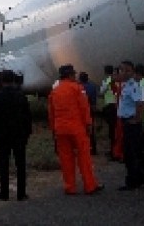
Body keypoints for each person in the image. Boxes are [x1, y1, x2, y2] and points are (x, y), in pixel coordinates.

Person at [48, 64, 103, 196]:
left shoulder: (54, 91)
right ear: (70, 75)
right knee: (84, 158)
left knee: (66, 159)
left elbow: (51, 113)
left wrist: (53, 129)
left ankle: (69, 187)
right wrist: (89, 124)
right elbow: (84, 108)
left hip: (61, 129)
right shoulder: (77, 88)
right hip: (77, 128)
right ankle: (90, 186)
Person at [0, 70, 32, 201]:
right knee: (21, 165)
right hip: (19, 136)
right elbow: (27, 118)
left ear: (1, 81)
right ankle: (21, 193)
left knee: (3, 166)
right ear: (13, 80)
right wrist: (26, 135)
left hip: (3, 137)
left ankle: (4, 193)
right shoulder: (21, 96)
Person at [117, 60, 144, 191]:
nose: (123, 72)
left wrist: (137, 119)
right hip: (126, 121)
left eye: (127, 70)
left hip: (131, 122)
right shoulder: (126, 85)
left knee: (130, 153)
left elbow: (139, 103)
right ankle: (140, 177)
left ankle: (132, 181)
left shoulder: (132, 85)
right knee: (133, 151)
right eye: (122, 70)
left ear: (133, 72)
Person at [98, 65, 118, 158]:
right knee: (116, 128)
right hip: (117, 105)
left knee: (112, 130)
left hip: (110, 106)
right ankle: (116, 150)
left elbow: (101, 92)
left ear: (105, 72)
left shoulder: (107, 81)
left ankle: (113, 151)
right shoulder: (117, 80)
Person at [78, 71, 99, 155]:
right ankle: (93, 148)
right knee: (90, 129)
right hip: (90, 109)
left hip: (82, 111)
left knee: (82, 130)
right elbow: (94, 98)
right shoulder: (92, 86)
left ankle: (84, 148)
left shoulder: (79, 87)